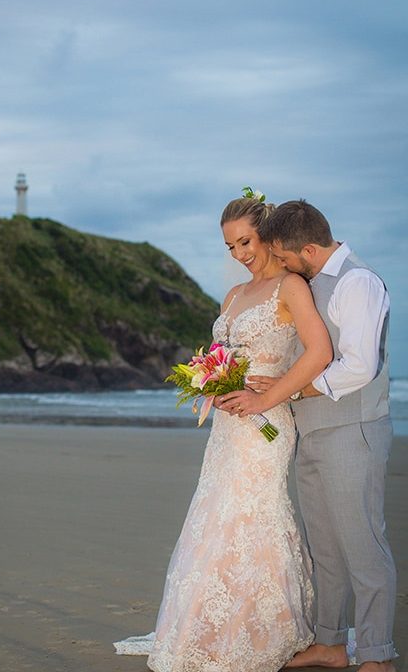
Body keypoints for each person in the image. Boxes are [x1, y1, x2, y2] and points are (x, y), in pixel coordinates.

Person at [114, 193, 332, 672]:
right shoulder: (233, 296)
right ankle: (210, 624)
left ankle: (264, 628)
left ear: (267, 235)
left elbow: (319, 354)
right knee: (215, 513)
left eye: (246, 241)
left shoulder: (292, 286)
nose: (240, 254)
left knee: (254, 514)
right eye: (231, 246)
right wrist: (209, 382)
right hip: (227, 427)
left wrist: (265, 397)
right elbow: (221, 354)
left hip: (266, 424)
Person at [221, 200, 397, 672]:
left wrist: (288, 394)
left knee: (363, 544)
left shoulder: (357, 283)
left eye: (283, 255)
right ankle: (332, 644)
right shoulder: (312, 282)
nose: (280, 265)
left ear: (310, 249)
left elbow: (359, 365)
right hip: (313, 432)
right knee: (325, 546)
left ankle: (378, 654)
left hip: (352, 428)